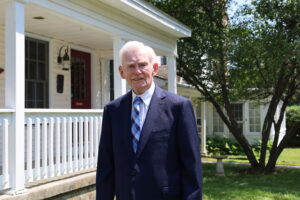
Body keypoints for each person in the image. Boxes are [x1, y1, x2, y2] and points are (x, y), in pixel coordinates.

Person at [96, 41, 202, 200]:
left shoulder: (178, 107)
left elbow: (191, 167)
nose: (137, 71)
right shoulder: (113, 111)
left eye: (143, 65)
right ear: (121, 72)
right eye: (131, 66)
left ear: (154, 68)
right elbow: (106, 166)